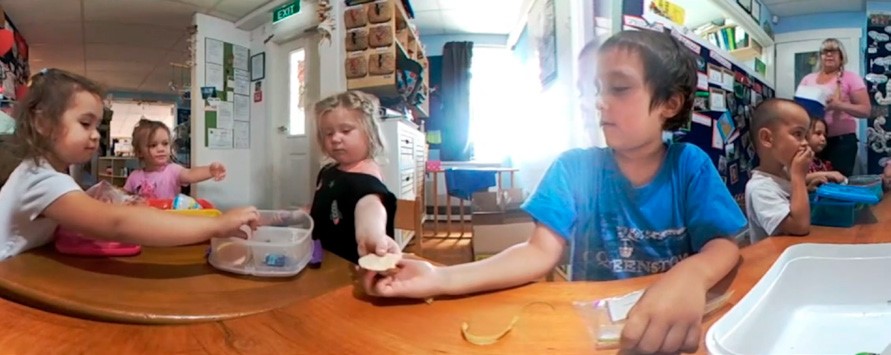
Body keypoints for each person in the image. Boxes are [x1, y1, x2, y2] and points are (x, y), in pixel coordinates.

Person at [362, 30, 747, 354]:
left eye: (619, 88)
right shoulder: (574, 168)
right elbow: (536, 253)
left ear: (668, 103)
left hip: (670, 329)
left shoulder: (689, 165)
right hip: (592, 331)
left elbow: (724, 245)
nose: (599, 101)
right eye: (597, 89)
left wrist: (691, 276)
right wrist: (441, 277)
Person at [0, 68, 258, 261]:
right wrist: (217, 225)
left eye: (97, 125)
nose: (95, 135)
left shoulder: (44, 172)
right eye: (85, 123)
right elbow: (118, 224)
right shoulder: (40, 178)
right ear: (43, 123)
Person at [308, 90, 400, 267]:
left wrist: (373, 235)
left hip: (351, 270)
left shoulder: (365, 176)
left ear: (369, 133)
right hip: (323, 260)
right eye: (328, 133)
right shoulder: (328, 172)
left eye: (345, 130)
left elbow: (370, 205)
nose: (335, 138)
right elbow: (323, 206)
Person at [796, 38, 871, 176]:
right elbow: (799, 108)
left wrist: (839, 105)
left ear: (841, 57)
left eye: (834, 51)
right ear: (820, 56)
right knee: (810, 178)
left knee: (838, 181)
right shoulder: (808, 79)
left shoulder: (851, 78)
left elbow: (866, 111)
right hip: (811, 141)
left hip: (842, 142)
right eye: (825, 51)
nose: (829, 54)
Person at [745, 99, 813, 244]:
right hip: (773, 261)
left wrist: (816, 178)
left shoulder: (781, 174)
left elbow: (786, 186)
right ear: (767, 138)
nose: (806, 143)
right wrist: (798, 178)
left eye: (806, 136)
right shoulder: (760, 189)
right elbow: (799, 227)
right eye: (798, 134)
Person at [124, 119, 225, 199]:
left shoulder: (172, 170)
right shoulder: (134, 177)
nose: (161, 149)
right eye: (153, 145)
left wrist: (209, 170)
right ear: (139, 152)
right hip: (144, 222)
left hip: (169, 221)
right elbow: (124, 198)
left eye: (165, 143)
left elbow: (190, 174)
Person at [805, 116, 846, 191]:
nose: (823, 139)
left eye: (825, 135)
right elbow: (799, 177)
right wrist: (827, 174)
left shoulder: (824, 164)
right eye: (818, 133)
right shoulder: (800, 159)